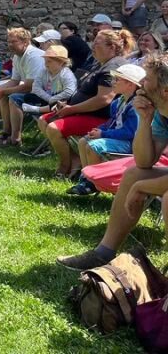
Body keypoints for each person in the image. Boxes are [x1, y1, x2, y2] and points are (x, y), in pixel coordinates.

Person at [56, 52, 168, 271]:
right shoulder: (161, 113)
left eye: (146, 80)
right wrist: (144, 121)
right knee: (134, 173)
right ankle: (103, 253)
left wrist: (142, 187)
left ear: (165, 91)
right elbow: (144, 161)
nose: (140, 85)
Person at [37, 29, 132, 179]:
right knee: (44, 120)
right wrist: (66, 104)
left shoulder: (113, 66)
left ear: (112, 47)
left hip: (101, 119)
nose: (92, 47)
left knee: (54, 128)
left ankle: (65, 166)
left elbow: (104, 99)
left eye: (97, 44)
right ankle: (74, 159)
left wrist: (71, 109)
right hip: (81, 112)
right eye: (93, 43)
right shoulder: (100, 63)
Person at [67, 63, 145, 196]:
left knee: (93, 146)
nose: (113, 82)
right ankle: (86, 178)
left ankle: (95, 182)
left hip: (130, 144)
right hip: (118, 139)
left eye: (117, 79)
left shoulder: (135, 107)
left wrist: (103, 134)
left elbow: (130, 133)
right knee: (83, 141)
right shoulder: (118, 101)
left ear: (130, 85)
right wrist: (98, 130)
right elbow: (112, 122)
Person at [6, 45, 77, 147]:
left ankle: (37, 110)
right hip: (46, 99)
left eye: (49, 61)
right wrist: (49, 98)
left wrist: (53, 99)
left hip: (60, 103)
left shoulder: (66, 75)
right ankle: (15, 136)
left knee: (57, 104)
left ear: (61, 62)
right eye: (45, 61)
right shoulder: (44, 71)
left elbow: (69, 92)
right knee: (14, 98)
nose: (46, 64)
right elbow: (35, 87)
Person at [0, 28, 45, 146]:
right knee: (4, 95)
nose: (10, 45)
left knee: (14, 98)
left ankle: (16, 138)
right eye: (8, 42)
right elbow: (14, 81)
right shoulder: (17, 56)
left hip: (46, 95)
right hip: (34, 90)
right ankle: (6, 132)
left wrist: (2, 91)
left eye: (13, 42)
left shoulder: (34, 56)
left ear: (25, 42)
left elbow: (29, 86)